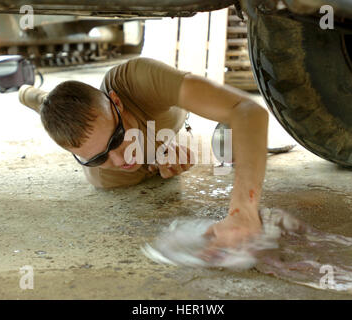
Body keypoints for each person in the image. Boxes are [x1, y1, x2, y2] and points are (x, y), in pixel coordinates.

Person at [19, 57, 269, 254]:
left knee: (47, 100)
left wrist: (243, 210)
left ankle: (32, 95)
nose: (119, 161)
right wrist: (152, 158)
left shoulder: (138, 81)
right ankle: (34, 97)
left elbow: (247, 109)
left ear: (116, 102)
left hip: (155, 116)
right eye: (98, 157)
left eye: (117, 139)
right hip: (135, 156)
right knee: (48, 106)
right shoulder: (106, 175)